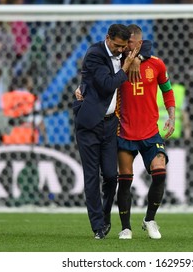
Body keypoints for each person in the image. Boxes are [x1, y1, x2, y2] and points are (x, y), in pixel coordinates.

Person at [73, 24, 138, 240]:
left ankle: (105, 215)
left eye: (124, 46)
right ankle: (98, 226)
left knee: (111, 175)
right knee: (92, 176)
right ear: (107, 38)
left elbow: (144, 45)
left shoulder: (123, 50)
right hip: (90, 124)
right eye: (118, 46)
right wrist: (127, 64)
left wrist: (134, 54)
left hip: (110, 124)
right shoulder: (95, 55)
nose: (121, 50)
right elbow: (107, 84)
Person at [116, 24, 175, 240]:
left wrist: (172, 116)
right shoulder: (118, 63)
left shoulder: (156, 64)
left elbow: (167, 91)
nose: (125, 46)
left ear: (140, 44)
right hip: (125, 131)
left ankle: (149, 219)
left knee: (159, 172)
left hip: (151, 132)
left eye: (130, 42)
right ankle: (125, 227)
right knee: (125, 179)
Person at [157, 82, 191, 146]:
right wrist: (187, 134)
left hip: (158, 135)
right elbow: (184, 114)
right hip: (173, 136)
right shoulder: (179, 90)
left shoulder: (155, 89)